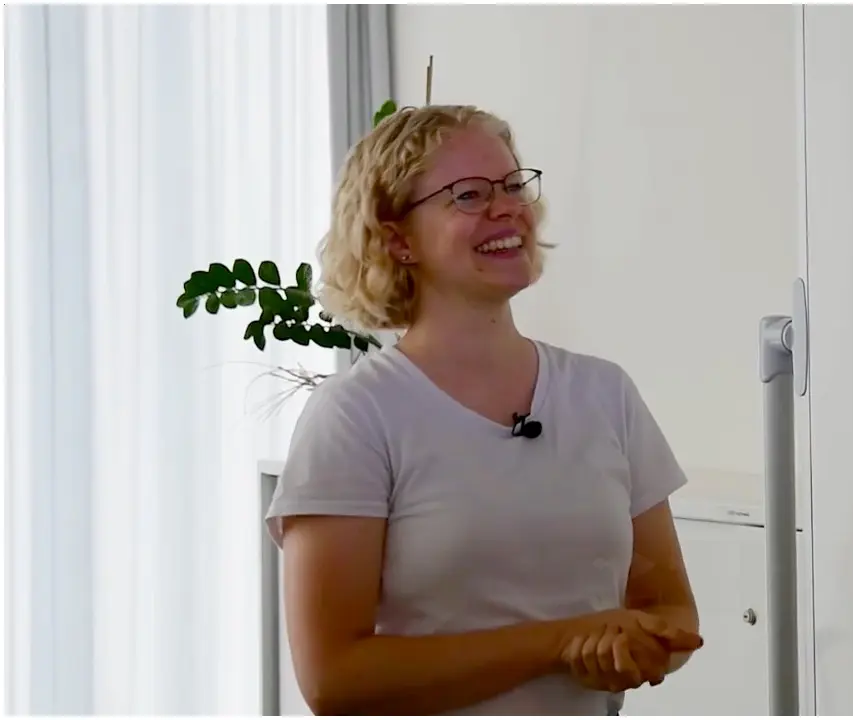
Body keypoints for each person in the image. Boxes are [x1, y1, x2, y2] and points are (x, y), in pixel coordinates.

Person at [265, 104, 703, 715]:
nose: (508, 208)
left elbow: (671, 612)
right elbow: (334, 681)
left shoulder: (605, 393)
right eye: (469, 195)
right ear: (397, 240)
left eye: (513, 186)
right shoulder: (355, 416)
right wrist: (560, 643)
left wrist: (642, 646)